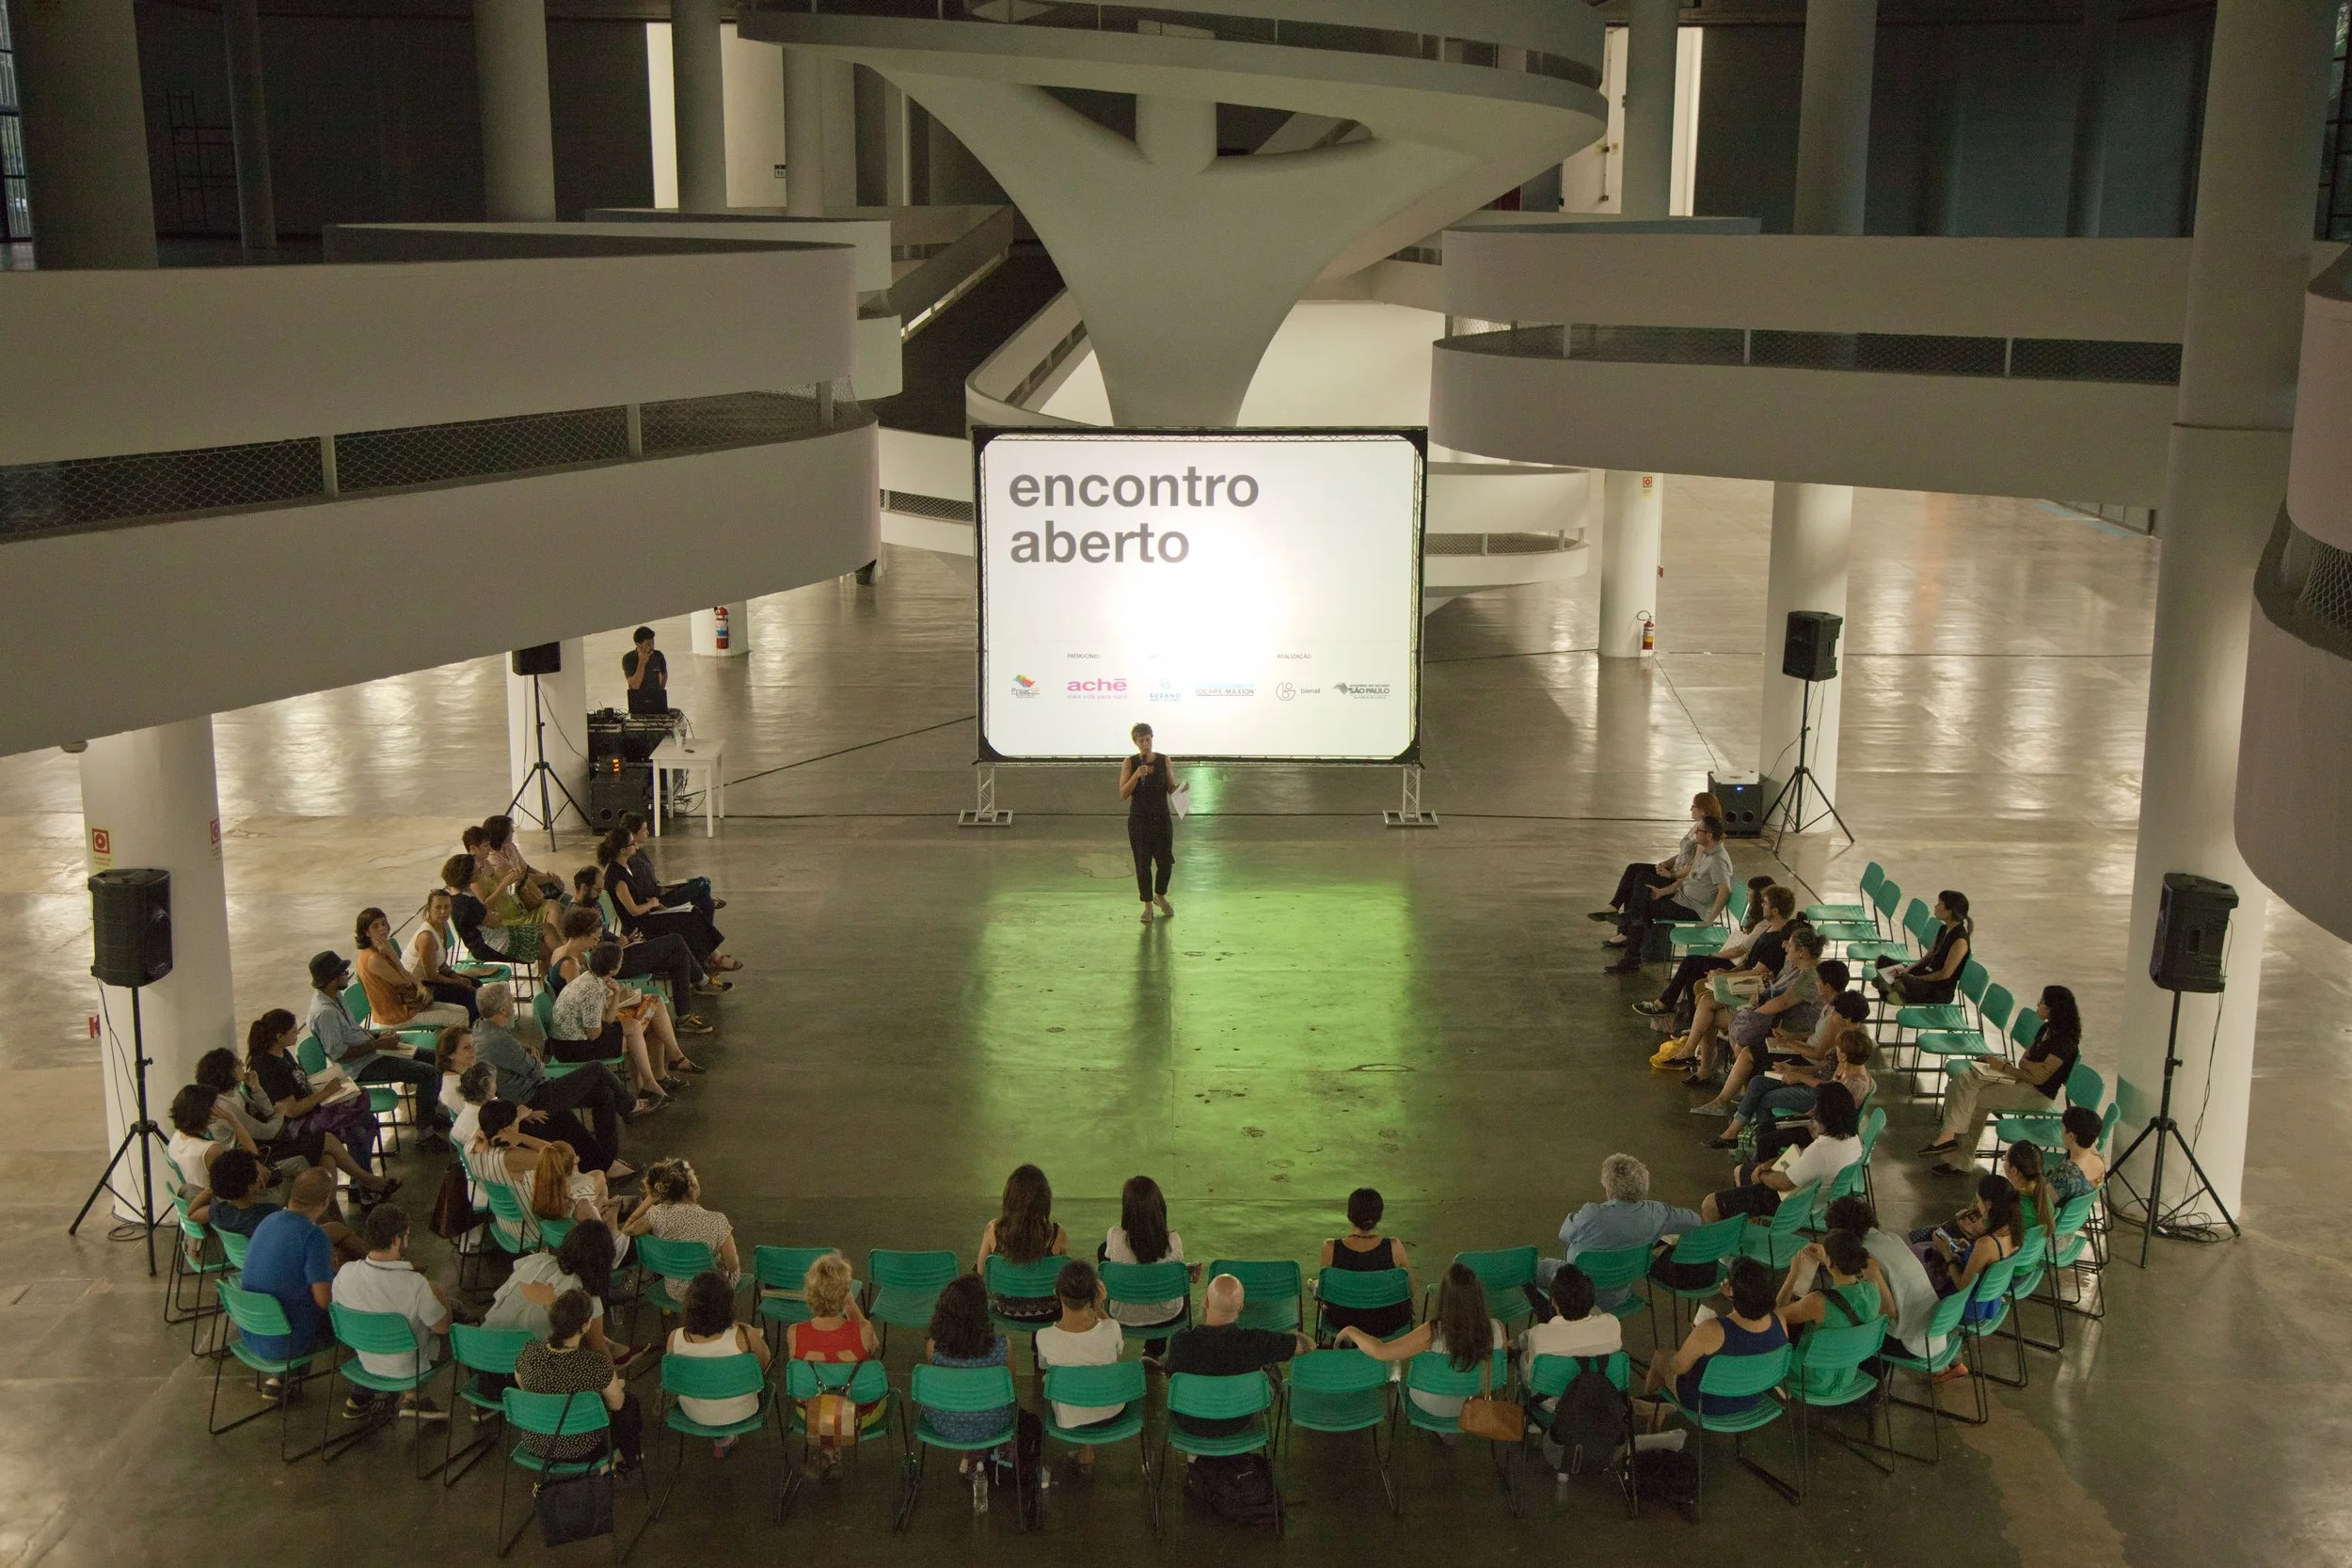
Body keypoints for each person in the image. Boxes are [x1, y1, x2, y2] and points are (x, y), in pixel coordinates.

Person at [472, 985, 629, 1177]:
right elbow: (536, 1070)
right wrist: (534, 1059)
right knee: (596, 1069)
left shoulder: (481, 1027)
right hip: (535, 1096)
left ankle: (607, 1161)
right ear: (502, 1010)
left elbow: (521, 1061)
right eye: (511, 1001)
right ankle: (629, 1106)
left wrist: (526, 1055)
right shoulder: (497, 1039)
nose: (513, 1003)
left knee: (604, 1093)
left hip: (529, 1092)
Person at [1920, 984, 2083, 1170]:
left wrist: (2005, 1067)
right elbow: (2024, 1062)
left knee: (1977, 1099)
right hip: (2022, 1079)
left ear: (2054, 1009)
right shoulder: (2045, 1029)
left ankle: (1959, 1161)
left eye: (2042, 1003)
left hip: (2037, 1095)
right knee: (1963, 1079)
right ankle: (1948, 1135)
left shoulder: (2064, 1043)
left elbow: (2039, 1080)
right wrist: (2027, 1068)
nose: (2037, 1005)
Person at [304, 950, 449, 1145]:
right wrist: (377, 1045)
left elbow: (353, 1031)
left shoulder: (335, 996)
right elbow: (339, 1053)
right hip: (360, 1066)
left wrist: (379, 1036)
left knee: (436, 1058)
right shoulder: (325, 1013)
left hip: (372, 1050)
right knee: (427, 1073)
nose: (347, 974)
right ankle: (425, 1133)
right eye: (343, 972)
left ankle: (430, 1113)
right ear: (331, 979)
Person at [1334, 1261, 1505, 1422]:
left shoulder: (1433, 1331)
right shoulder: (1497, 1329)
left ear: (1445, 1297)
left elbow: (1381, 1352)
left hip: (1431, 1404)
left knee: (1403, 1374)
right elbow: (1502, 1361)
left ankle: (1441, 1426)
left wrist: (1351, 1331)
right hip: (1472, 1401)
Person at [1636, 1257, 1788, 1429]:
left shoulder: (1712, 1330)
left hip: (1708, 1404)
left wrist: (1694, 1342)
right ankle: (1656, 1406)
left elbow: (1677, 1368)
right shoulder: (1780, 1319)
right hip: (1751, 1397)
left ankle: (1648, 1406)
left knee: (1660, 1357)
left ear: (1731, 1290)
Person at [331, 1204, 452, 1419]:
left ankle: (373, 1395)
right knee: (458, 1327)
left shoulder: (345, 1273)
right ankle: (415, 1397)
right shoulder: (416, 1285)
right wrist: (441, 1296)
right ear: (396, 1240)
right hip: (408, 1369)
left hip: (365, 1360)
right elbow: (443, 1327)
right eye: (407, 1236)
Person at [1541, 1154, 1702, 1313]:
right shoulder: (1657, 1213)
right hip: (1619, 1295)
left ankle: (1551, 1320)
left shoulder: (1591, 1215)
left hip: (1575, 1292)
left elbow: (1565, 1232)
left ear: (1609, 1189)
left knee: (1533, 1267)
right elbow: (1694, 1221)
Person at [1161, 1275, 1311, 1438]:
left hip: (1190, 1421)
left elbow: (1171, 1376)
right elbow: (1307, 1346)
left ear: (1206, 1302)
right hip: (1240, 1422)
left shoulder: (1180, 1341)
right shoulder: (1257, 1342)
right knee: (1269, 1368)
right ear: (1241, 1307)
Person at [246, 1007, 388, 1178]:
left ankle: (362, 1182)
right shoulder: (270, 1068)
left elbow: (299, 1084)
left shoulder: (281, 1053)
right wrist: (326, 1092)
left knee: (367, 1120)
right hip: (294, 1124)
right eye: (293, 1031)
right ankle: (364, 1184)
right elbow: (291, 1111)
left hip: (311, 1107)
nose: (297, 1033)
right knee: (357, 1130)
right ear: (279, 1036)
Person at [1700, 1082, 1863, 1223]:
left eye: (1816, 1109)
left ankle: (1726, 1255)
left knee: (1710, 1205)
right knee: (1740, 1170)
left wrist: (1762, 1175)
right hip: (1814, 1198)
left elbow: (1783, 1183)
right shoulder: (1852, 1138)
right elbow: (1801, 1152)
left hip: (1792, 1204)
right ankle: (1750, 1221)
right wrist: (1769, 1164)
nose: (1812, 1114)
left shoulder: (1822, 1150)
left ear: (1824, 1116)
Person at [548, 939, 678, 1116]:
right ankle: (648, 1084)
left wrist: (616, 994)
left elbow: (605, 1020)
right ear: (612, 969)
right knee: (634, 1035)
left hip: (571, 1038)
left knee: (633, 1027)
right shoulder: (592, 990)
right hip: (571, 1046)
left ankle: (647, 1085)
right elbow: (594, 1034)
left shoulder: (591, 978)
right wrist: (621, 1035)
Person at [515, 1289, 643, 1469]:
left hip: (536, 1443)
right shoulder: (595, 1364)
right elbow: (617, 1405)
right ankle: (628, 1456)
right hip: (583, 1449)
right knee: (628, 1402)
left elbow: (522, 1384)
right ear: (585, 1326)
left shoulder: (530, 1352)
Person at [1692, 927, 1826, 1095]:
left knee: (1733, 1027)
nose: (1785, 948)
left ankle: (1736, 1085)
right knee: (1709, 1007)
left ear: (1802, 952)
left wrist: (1751, 1013)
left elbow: (1783, 1002)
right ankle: (1729, 1080)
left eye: (1790, 946)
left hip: (1787, 1028)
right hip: (1776, 1019)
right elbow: (1779, 991)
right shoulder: (1798, 969)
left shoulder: (1809, 976)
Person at [1715, 1022, 1878, 1155]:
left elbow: (1827, 1093)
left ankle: (1762, 1165)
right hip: (1815, 1120)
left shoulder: (1855, 1083)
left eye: (1837, 1048)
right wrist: (1794, 1071)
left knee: (1766, 1129)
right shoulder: (1848, 1068)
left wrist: (1799, 1077)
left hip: (1819, 1130)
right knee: (1761, 1097)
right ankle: (1755, 1151)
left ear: (1843, 1055)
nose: (1834, 1050)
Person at [783, 1252, 882, 1470]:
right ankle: (835, 1441)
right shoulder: (863, 1331)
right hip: (859, 1411)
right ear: (845, 1293)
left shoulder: (794, 1333)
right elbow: (874, 1345)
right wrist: (850, 1304)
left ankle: (829, 1444)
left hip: (811, 1411)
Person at [924, 1274, 1015, 1508]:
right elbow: (1009, 1389)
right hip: (993, 1423)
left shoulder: (934, 1346)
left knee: (959, 1396)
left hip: (944, 1422)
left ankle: (967, 1454)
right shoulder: (1003, 1347)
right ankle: (978, 1454)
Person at [1638, 873, 1782, 1018]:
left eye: (1749, 893)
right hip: (1738, 961)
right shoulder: (1760, 921)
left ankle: (1669, 1006)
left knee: (1692, 963)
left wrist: (1713, 955)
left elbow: (1738, 951)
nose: (1747, 896)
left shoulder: (1764, 926)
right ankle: (1685, 1012)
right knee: (1693, 966)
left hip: (1737, 965)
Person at [237, 1168, 342, 1363]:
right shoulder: (313, 1236)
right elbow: (325, 1301)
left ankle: (279, 1378)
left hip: (251, 1332)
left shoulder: (268, 1221)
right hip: (289, 1343)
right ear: (326, 1201)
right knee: (355, 1315)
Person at [599, 825, 737, 972]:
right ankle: (712, 957)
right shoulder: (618, 878)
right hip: (643, 923)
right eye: (632, 844)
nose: (635, 846)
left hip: (648, 915)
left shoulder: (622, 868)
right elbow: (633, 910)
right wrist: (652, 903)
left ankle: (708, 955)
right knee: (691, 917)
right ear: (623, 851)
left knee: (693, 914)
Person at [1606, 816, 1733, 974]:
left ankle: (1630, 957)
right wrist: (1662, 892)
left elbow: (1725, 889)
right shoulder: (1705, 852)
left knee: (1642, 909)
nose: (1695, 834)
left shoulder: (1718, 861)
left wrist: (1709, 920)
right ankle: (1631, 953)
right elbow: (1687, 880)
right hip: (1681, 898)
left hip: (1692, 908)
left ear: (1708, 835)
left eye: (1698, 831)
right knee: (1642, 885)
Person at [1034, 1260, 1127, 1473]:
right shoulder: (1111, 1328)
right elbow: (1119, 1351)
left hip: (1068, 1417)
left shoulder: (1044, 1337)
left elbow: (1044, 1366)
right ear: (1095, 1295)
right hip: (1111, 1410)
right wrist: (1100, 1309)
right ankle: (1087, 1450)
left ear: (1057, 1293)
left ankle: (1085, 1449)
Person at [672, 1270, 773, 1458]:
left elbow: (677, 1377)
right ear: (728, 1304)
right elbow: (765, 1362)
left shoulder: (675, 1338)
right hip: (742, 1410)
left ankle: (721, 1437)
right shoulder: (745, 1335)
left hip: (693, 1411)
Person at [1826, 1196, 1941, 1361]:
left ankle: (1865, 1382)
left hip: (1910, 1344)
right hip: (1933, 1333)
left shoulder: (1864, 1255)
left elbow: (1888, 1311)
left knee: (1845, 1327)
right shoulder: (1891, 1237)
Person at [485, 1220, 625, 1354]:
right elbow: (598, 1351)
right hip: (523, 1364)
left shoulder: (536, 1260)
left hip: (481, 1348)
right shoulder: (585, 1297)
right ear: (603, 1260)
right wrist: (615, 1377)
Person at [1593, 791, 1724, 925]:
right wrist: (1666, 863)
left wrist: (1671, 874)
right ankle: (1614, 907)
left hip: (1679, 878)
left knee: (1641, 879)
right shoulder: (1698, 827)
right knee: (1634, 869)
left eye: (1693, 807)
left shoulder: (1706, 835)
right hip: (1675, 870)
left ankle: (1628, 927)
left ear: (1703, 810)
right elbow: (1685, 853)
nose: (1690, 809)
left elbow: (1695, 868)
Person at [1102, 1174, 1191, 1351]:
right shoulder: (1174, 1241)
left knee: (1103, 1251)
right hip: (1167, 1316)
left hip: (1123, 1314)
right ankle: (1153, 1351)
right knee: (1178, 1281)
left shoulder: (1114, 1236)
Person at [1914, 1173, 2025, 1317]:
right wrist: (1968, 1250)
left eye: (1978, 1201)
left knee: (1914, 1275)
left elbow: (1962, 1286)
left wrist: (1946, 1253)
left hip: (1964, 1307)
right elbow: (1986, 1263)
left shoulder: (1985, 1244)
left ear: (1988, 1205)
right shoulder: (2013, 1231)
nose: (1977, 1206)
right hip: (1990, 1302)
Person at [1516, 1264, 1623, 1406]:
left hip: (1554, 1406)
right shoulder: (1612, 1324)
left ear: (1554, 1302)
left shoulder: (1539, 1335)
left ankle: (1526, 1415)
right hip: (1602, 1399)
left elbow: (1533, 1377)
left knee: (1524, 1357)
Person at [977, 1164, 1069, 1326]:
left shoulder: (993, 1230)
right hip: (1048, 1311)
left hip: (1005, 1308)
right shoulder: (1057, 1234)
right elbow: (1064, 1277)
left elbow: (981, 1271)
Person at [623, 1157, 739, 1284]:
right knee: (735, 1269)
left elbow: (627, 1229)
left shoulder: (657, 1213)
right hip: (708, 1293)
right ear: (693, 1185)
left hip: (674, 1290)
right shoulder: (718, 1221)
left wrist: (650, 1199)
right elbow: (732, 1266)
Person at [1317, 1187, 1413, 1340]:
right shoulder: (1394, 1247)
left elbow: (1324, 1294)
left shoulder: (1330, 1248)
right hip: (1387, 1323)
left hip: (1343, 1323)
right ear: (1378, 1217)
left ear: (1349, 1215)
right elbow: (1410, 1290)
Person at [354, 908, 469, 1030]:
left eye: (383, 923)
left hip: (408, 1006)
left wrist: (420, 986)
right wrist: (392, 954)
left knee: (463, 1011)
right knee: (459, 1018)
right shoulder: (373, 958)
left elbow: (406, 974)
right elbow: (406, 981)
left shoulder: (380, 948)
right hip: (395, 1015)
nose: (382, 928)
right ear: (366, 933)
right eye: (375, 926)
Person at [1774, 1229, 1890, 1338]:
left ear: (1831, 1262)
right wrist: (1827, 1260)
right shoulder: (1873, 1288)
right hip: (1855, 1353)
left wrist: (1793, 1275)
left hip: (1818, 1357)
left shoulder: (1817, 1302)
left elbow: (1776, 1318)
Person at [1120, 722, 1178, 923]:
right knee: (1143, 865)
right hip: (1139, 822)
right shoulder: (1130, 762)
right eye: (1141, 740)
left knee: (1165, 862)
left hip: (1161, 820)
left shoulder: (1164, 760)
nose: (1145, 744)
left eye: (1148, 739)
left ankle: (1159, 895)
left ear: (1152, 738)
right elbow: (1123, 793)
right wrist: (1137, 774)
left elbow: (1170, 786)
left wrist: (1180, 791)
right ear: (1135, 742)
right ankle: (1147, 906)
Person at [1876, 890, 1972, 1003]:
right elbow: (1927, 957)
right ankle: (1896, 991)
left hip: (1937, 989)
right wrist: (1909, 969)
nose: (1936, 907)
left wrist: (1917, 979)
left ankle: (1893, 989)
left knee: (1902, 980)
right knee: (1882, 961)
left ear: (1949, 911)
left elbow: (1945, 974)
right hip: (1924, 975)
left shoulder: (1960, 941)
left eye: (1939, 904)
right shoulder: (1943, 929)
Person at [405, 888, 484, 1018]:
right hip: (418, 987)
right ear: (429, 909)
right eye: (438, 907)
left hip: (431, 979)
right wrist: (458, 982)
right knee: (469, 995)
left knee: (477, 985)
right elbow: (430, 976)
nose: (443, 912)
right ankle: (468, 1032)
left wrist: (457, 977)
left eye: (447, 907)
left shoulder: (442, 926)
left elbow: (441, 965)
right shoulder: (426, 936)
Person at [531, 1138, 619, 1228]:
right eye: (576, 1162)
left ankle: (603, 1206)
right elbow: (603, 1237)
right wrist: (613, 1219)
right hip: (580, 1234)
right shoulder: (579, 1204)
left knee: (599, 1181)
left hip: (558, 1239)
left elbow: (551, 1150)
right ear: (571, 1168)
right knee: (600, 1178)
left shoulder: (538, 1197)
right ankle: (604, 1211)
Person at [2055, 1105, 2107, 1201]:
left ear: (2071, 1136)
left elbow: (2043, 1203)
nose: (2061, 1131)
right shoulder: (2100, 1161)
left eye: (2063, 1128)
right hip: (2075, 1215)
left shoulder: (2066, 1172)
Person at [623, 626, 671, 717]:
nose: (652, 646)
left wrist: (660, 690)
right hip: (638, 701)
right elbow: (635, 685)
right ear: (638, 644)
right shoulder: (628, 659)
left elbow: (664, 673)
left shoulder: (658, 655)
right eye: (648, 644)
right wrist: (642, 662)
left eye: (653, 643)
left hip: (656, 699)